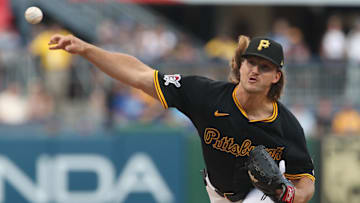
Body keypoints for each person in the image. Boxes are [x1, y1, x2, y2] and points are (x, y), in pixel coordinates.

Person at [48, 34, 315, 203]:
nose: (254, 70)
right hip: (219, 192)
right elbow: (140, 75)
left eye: (264, 67)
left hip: (263, 193)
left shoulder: (286, 125)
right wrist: (86, 50)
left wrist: (288, 194)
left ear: (276, 77)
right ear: (240, 65)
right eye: (250, 62)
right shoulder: (205, 94)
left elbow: (306, 181)